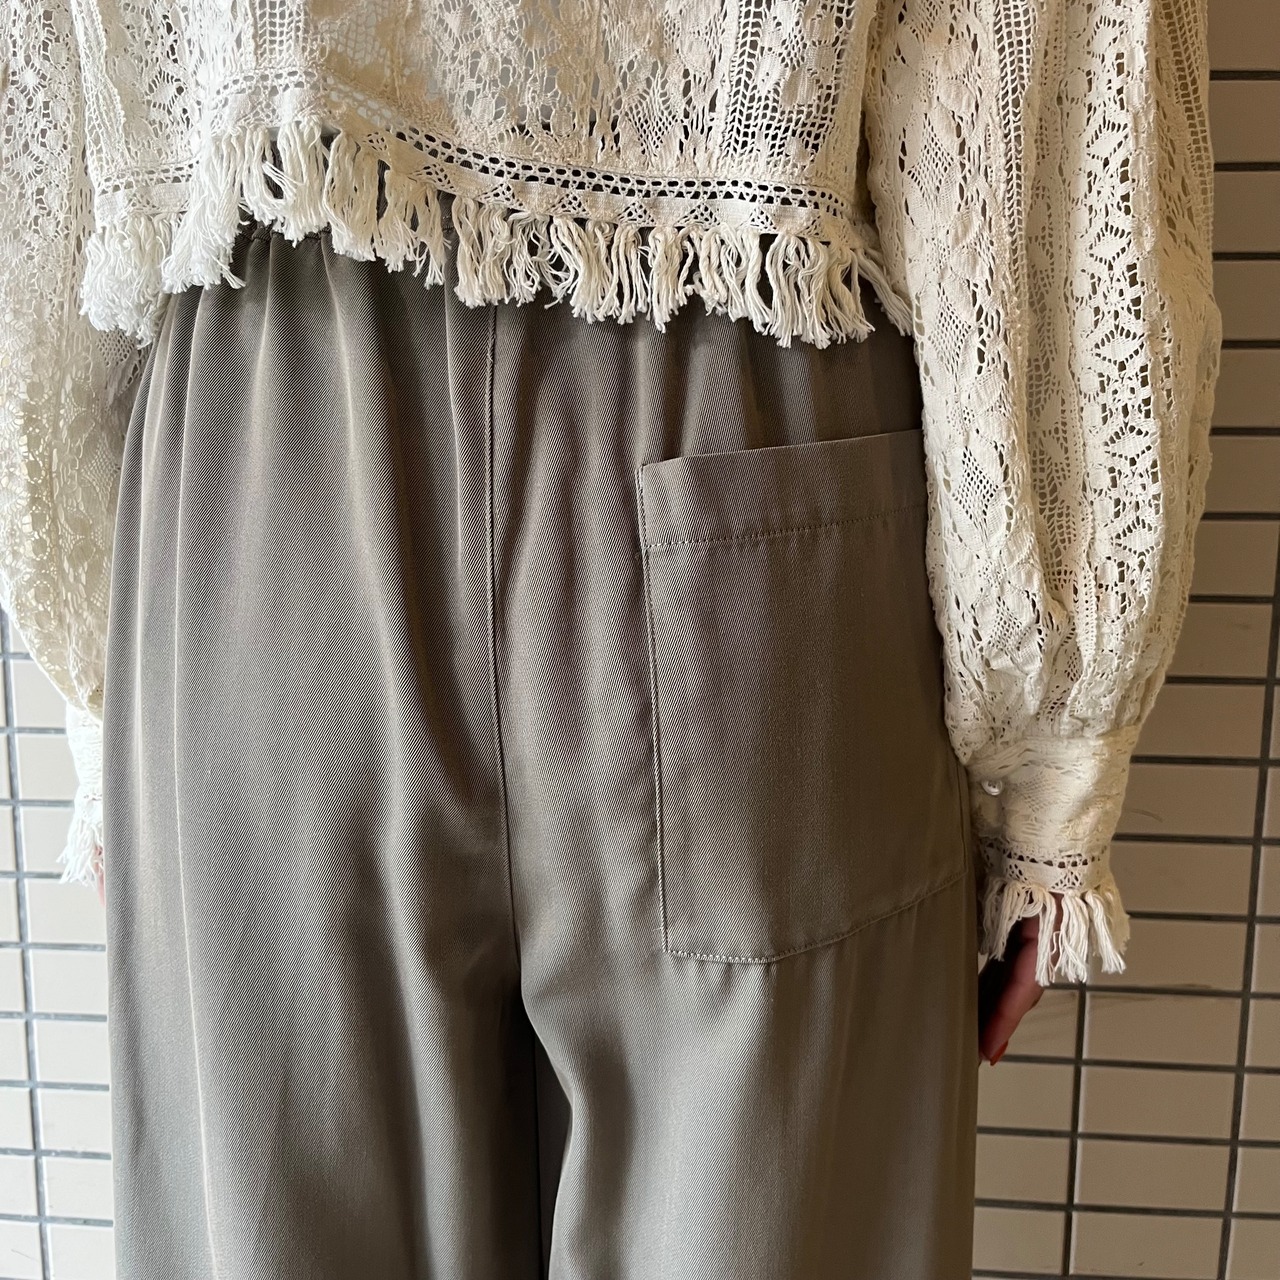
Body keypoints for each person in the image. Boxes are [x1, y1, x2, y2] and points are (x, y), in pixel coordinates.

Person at [0, 1, 1222, 1276]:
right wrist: (1051, 767)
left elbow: (40, 110)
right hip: (748, 406)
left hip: (266, 458)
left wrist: (102, 695)